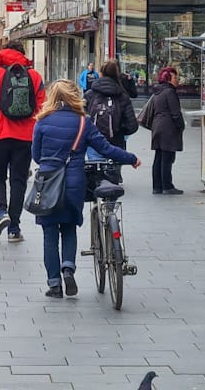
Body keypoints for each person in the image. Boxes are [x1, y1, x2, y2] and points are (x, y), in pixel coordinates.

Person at [32, 80, 141, 298]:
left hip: (48, 183)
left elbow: (36, 155)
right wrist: (131, 158)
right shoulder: (83, 123)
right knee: (69, 228)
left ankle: (54, 285)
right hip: (74, 183)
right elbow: (106, 148)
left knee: (50, 234)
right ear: (75, 96)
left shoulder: (42, 122)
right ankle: (68, 268)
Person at [0, 41, 46, 242]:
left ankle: (1, 212)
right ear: (23, 55)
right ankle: (14, 228)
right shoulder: (34, 76)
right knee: (18, 180)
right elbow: (42, 107)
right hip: (25, 136)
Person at [83, 60, 139, 182]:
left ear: (101, 74)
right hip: (116, 144)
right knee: (112, 181)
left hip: (93, 142)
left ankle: (98, 196)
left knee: (96, 178)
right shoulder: (123, 96)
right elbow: (132, 125)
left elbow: (81, 119)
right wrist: (118, 129)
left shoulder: (89, 94)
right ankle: (110, 198)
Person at [150, 66, 185, 195]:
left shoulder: (157, 92)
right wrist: (181, 126)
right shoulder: (170, 92)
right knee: (167, 157)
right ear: (168, 79)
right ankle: (167, 185)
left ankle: (157, 186)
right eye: (175, 77)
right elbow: (175, 113)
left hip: (158, 126)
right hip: (168, 127)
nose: (177, 80)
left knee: (159, 156)